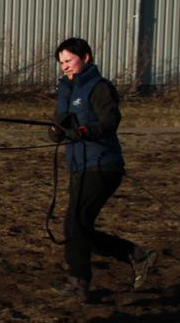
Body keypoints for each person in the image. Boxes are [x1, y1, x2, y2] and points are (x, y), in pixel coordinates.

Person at [47, 37, 157, 301]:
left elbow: (109, 121)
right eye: (61, 63)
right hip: (80, 166)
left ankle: (79, 283)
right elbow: (58, 130)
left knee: (76, 224)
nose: (65, 67)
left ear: (86, 58)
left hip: (102, 165)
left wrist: (85, 130)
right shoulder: (65, 89)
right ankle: (135, 255)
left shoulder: (99, 87)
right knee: (77, 227)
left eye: (69, 61)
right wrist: (55, 130)